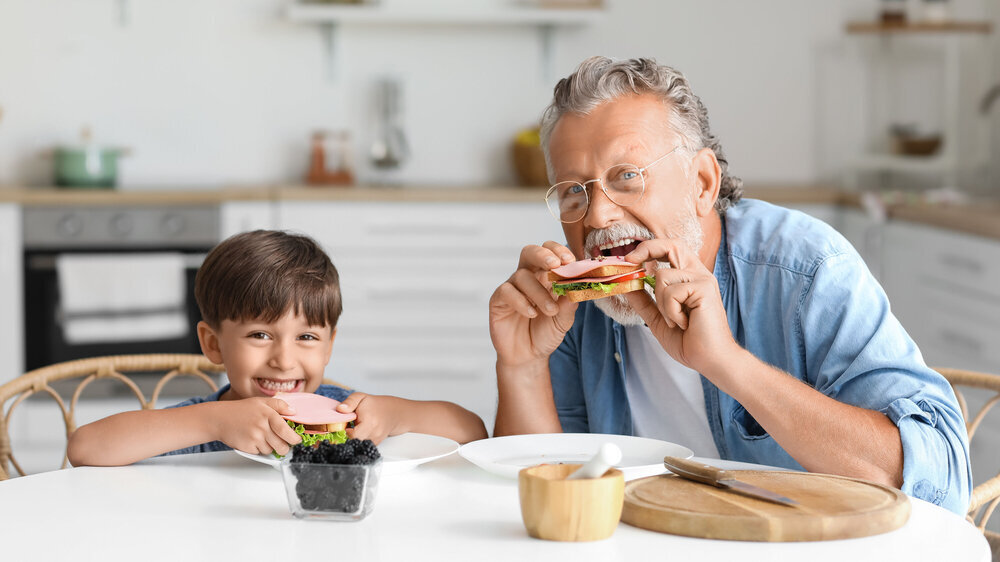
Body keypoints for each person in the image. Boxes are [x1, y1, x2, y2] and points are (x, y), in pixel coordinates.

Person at [488, 56, 971, 514]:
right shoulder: (575, 309)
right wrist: (523, 366)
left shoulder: (806, 269)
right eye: (575, 191)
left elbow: (943, 485)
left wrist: (727, 363)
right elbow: (543, 496)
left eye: (627, 177)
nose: (596, 215)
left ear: (702, 183)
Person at [68, 230, 487, 466]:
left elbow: (471, 430)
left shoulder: (345, 417)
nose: (284, 360)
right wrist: (213, 422)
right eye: (260, 335)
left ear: (329, 346)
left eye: (306, 337)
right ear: (213, 344)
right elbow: (84, 447)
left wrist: (396, 414)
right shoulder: (206, 424)